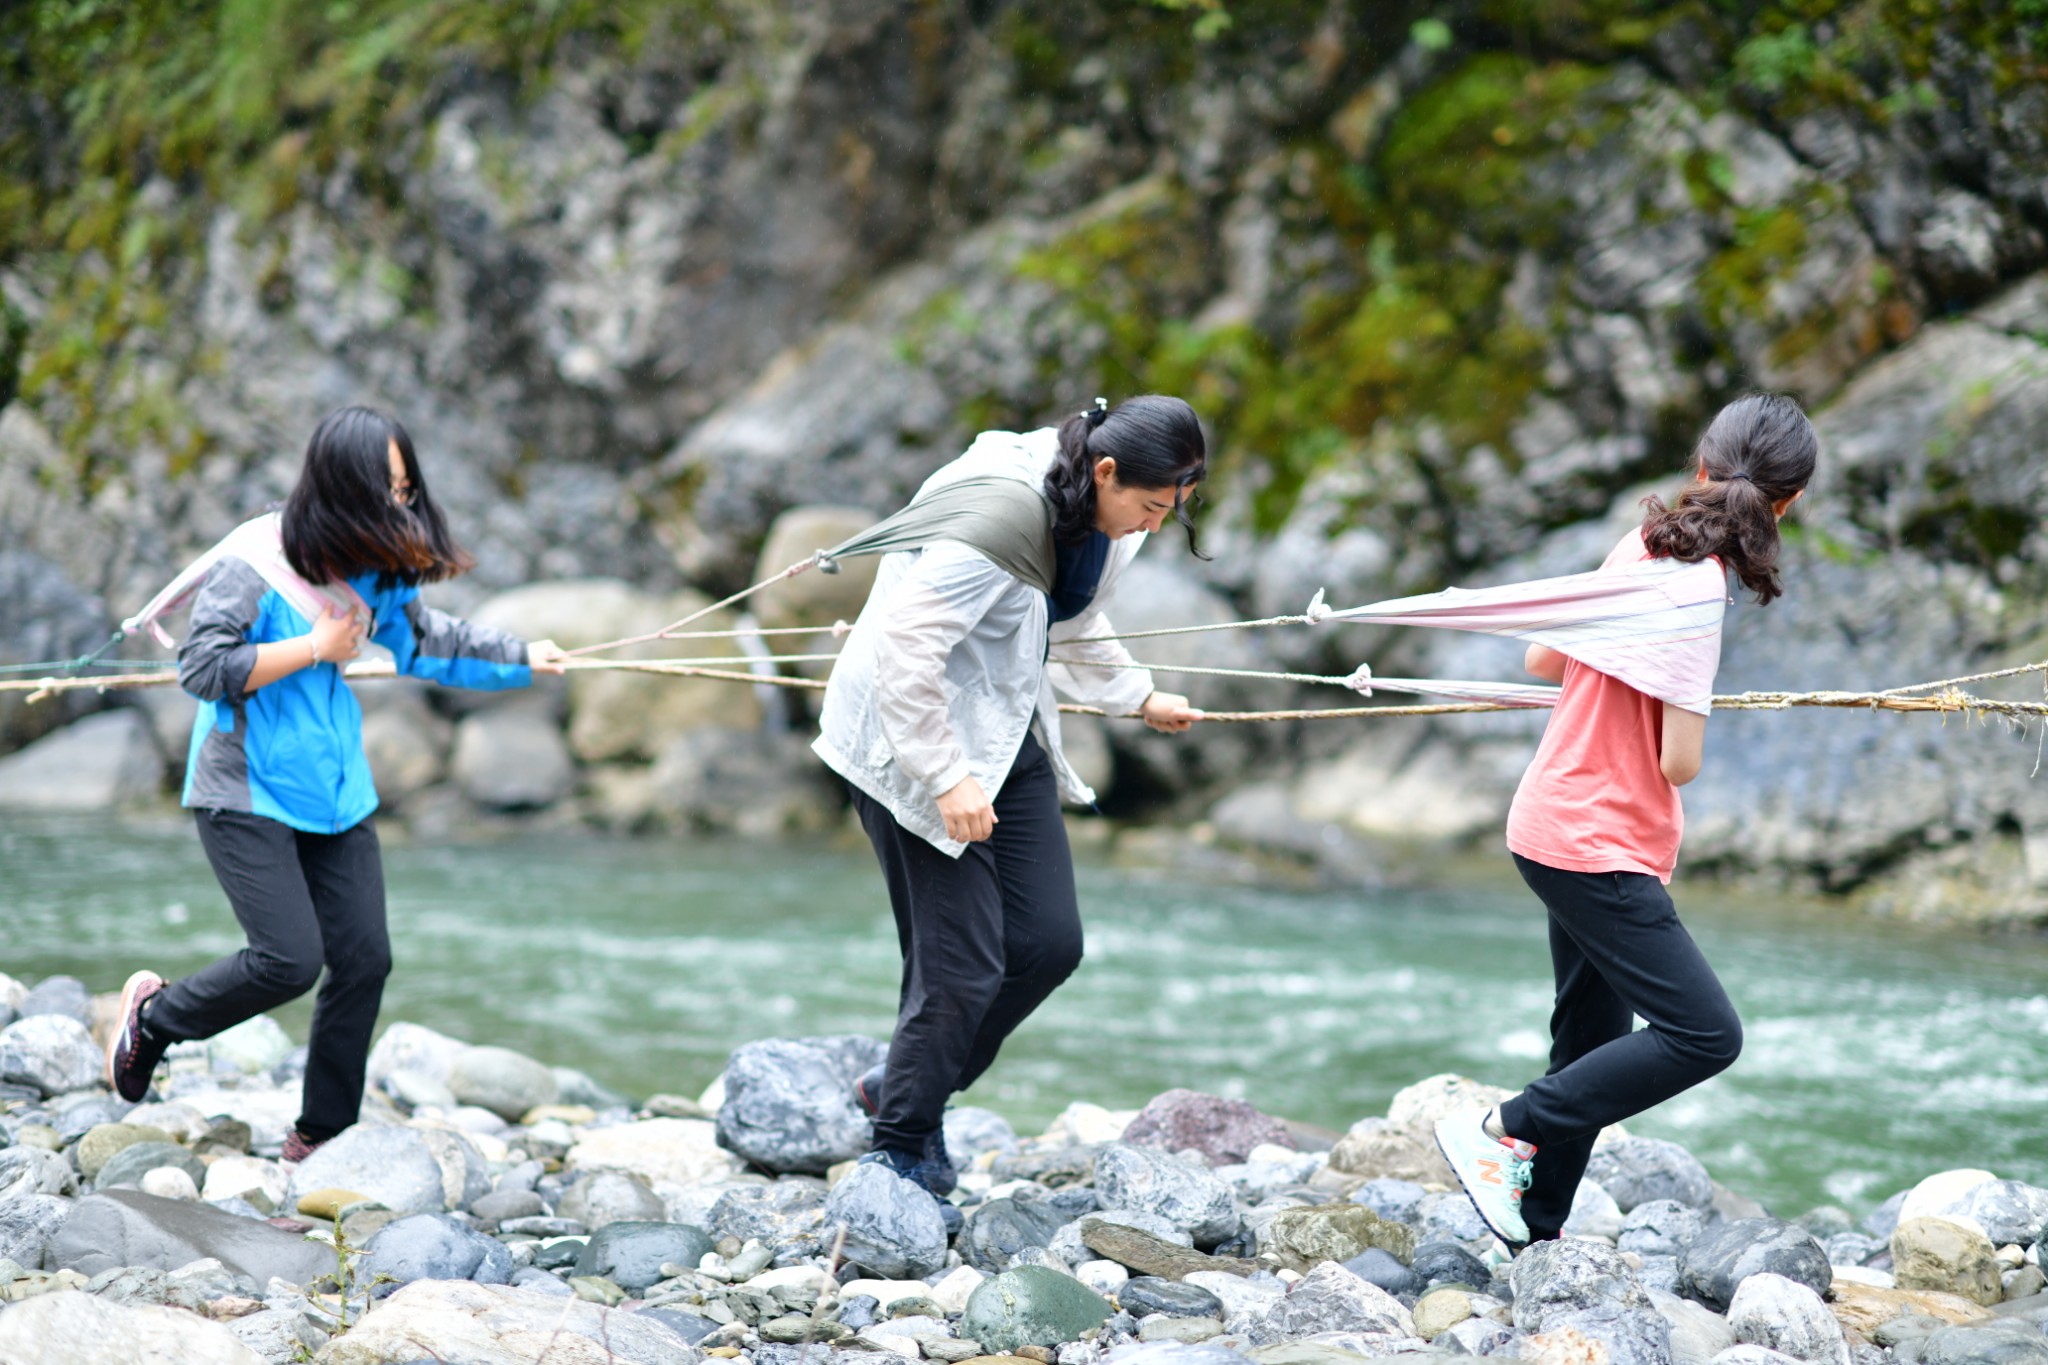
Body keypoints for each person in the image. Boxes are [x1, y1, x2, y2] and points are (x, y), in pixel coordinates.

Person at [105, 405, 567, 1161]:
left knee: (364, 959)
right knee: (288, 960)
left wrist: (523, 657)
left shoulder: (377, 565)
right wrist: (315, 646)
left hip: (335, 790)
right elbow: (203, 669)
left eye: (406, 488)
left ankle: (322, 1132)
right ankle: (154, 1021)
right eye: (386, 489)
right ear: (339, 487)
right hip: (244, 787)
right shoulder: (253, 566)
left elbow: (426, 640)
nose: (401, 504)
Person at [1433, 392, 1819, 1249]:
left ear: (1701, 467)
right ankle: (1499, 1127)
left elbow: (1542, 658)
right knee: (1705, 1033)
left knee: (1591, 1034)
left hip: (1552, 819)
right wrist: (1688, 688)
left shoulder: (1640, 544)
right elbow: (1679, 761)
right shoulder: (1701, 594)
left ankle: (1534, 1226)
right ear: (1787, 502)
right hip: (1597, 839)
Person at [815, 395, 1207, 1229]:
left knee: (1046, 944)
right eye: (1149, 506)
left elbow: (1075, 613)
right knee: (960, 964)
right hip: (907, 741)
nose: (1155, 525)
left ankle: (900, 1084)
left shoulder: (1106, 513)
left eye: (1171, 509)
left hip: (1001, 724)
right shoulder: (998, 529)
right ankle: (900, 1142)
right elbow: (903, 647)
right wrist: (946, 776)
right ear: (1106, 470)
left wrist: (1137, 695)